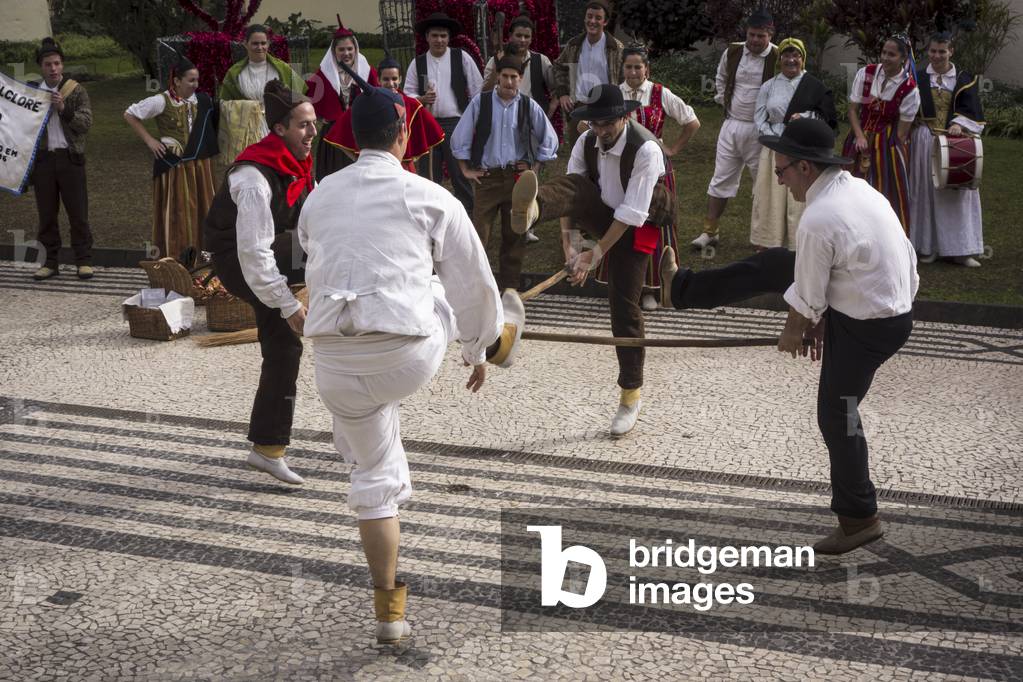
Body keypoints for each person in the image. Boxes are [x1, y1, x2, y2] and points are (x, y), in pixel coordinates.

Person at [298, 68, 524, 645]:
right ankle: (497, 343)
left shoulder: (318, 196)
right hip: (406, 353)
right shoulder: (432, 196)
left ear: (350, 138)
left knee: (372, 478)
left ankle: (389, 614)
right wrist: (479, 347)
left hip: (334, 361)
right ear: (402, 134)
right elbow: (475, 279)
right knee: (440, 287)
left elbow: (314, 254)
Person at [661, 118, 918, 554]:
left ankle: (860, 519)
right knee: (776, 263)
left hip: (870, 325)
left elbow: (809, 300)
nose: (779, 180)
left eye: (781, 172)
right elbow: (847, 275)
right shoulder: (855, 189)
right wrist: (816, 320)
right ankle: (680, 289)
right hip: (882, 308)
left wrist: (796, 331)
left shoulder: (820, 218)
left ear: (804, 167)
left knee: (839, 414)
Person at [511, 84, 674, 436]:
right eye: (595, 123)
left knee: (624, 307)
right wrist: (571, 246)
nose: (600, 131)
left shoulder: (646, 150)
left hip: (636, 224)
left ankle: (630, 394)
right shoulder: (587, 142)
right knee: (575, 186)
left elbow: (631, 214)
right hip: (604, 212)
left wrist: (595, 253)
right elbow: (573, 194)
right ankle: (533, 208)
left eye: (607, 124)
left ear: (624, 116)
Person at [203, 81, 315, 485]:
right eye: (303, 125)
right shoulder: (253, 176)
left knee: (284, 345)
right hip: (237, 260)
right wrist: (289, 304)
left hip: (270, 253)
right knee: (291, 321)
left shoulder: (296, 162)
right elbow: (255, 254)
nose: (312, 133)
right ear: (280, 129)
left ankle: (267, 449)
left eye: (314, 124)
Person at [451, 55, 559, 292]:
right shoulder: (481, 102)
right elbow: (459, 138)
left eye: (514, 77)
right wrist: (466, 170)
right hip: (487, 179)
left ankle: (510, 289)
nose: (509, 82)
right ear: (497, 77)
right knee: (479, 235)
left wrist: (534, 168)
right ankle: (476, 287)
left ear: (520, 79)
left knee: (514, 236)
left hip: (516, 180)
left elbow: (550, 140)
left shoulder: (528, 105)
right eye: (505, 76)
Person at [613, 44, 700, 311]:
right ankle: (629, 287)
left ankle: (654, 288)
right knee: (626, 222)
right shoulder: (616, 93)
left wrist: (672, 149)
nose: (633, 71)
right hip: (624, 166)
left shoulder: (660, 93)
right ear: (623, 68)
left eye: (638, 66)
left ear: (646, 69)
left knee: (656, 225)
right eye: (628, 66)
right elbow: (590, 122)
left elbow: (692, 121)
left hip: (657, 168)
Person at [691, 8, 778, 251]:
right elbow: (721, 77)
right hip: (731, 125)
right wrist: (723, 99)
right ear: (746, 33)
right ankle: (710, 232)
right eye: (751, 35)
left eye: (761, 36)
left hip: (761, 131)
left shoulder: (778, 57)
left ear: (770, 34)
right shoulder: (733, 51)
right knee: (721, 179)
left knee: (762, 184)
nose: (755, 40)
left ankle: (763, 237)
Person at [124, 55, 218, 265]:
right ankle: (177, 259)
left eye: (197, 80)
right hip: (174, 164)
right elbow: (130, 114)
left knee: (202, 206)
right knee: (179, 210)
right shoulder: (161, 100)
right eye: (191, 80)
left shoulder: (201, 100)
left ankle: (203, 258)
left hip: (198, 164)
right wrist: (150, 141)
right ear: (176, 80)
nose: (195, 85)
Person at [750, 37, 836, 251]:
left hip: (802, 150)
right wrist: (775, 139)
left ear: (803, 58)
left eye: (795, 55)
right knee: (771, 197)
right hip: (774, 148)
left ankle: (800, 245)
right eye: (786, 55)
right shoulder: (769, 86)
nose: (791, 60)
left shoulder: (815, 87)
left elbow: (828, 118)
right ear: (780, 59)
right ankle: (769, 242)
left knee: (800, 199)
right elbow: (759, 119)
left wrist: (806, 118)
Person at [909, 32, 985, 267]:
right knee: (926, 193)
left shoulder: (964, 79)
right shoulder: (918, 77)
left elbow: (973, 109)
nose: (937, 56)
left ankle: (962, 250)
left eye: (942, 51)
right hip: (924, 140)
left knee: (957, 193)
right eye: (933, 51)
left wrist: (958, 124)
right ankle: (929, 246)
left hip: (955, 141)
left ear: (951, 51)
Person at [482, 14, 558, 245]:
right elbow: (484, 90)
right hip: (504, 123)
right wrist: (497, 65)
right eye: (518, 35)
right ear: (510, 36)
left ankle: (526, 224)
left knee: (529, 175)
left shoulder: (541, 61)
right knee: (508, 171)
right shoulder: (496, 60)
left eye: (527, 36)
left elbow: (555, 90)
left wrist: (547, 115)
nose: (523, 40)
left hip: (530, 124)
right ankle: (506, 217)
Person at [28, 37, 94, 281]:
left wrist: (63, 109)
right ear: (41, 66)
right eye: (47, 64)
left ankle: (84, 261)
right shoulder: (32, 92)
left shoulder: (75, 90)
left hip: (70, 158)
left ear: (62, 65)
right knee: (46, 215)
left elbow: (85, 124)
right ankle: (49, 262)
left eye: (56, 63)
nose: (53, 68)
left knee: (78, 213)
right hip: (44, 160)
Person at [404, 12, 483, 214]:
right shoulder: (418, 63)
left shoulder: (461, 57)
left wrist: (472, 120)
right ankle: (431, 212)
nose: (439, 40)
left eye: (443, 36)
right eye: (435, 36)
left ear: (448, 38)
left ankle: (466, 212)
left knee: (459, 172)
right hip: (427, 123)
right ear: (427, 37)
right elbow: (407, 94)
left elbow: (477, 90)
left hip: (456, 124)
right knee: (429, 172)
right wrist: (421, 99)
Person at [843, 34, 920, 235]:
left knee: (886, 192)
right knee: (851, 189)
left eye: (891, 54)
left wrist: (888, 154)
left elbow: (902, 133)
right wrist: (860, 136)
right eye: (884, 52)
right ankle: (850, 235)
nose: (885, 57)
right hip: (858, 138)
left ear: (903, 58)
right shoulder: (867, 74)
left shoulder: (909, 88)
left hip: (888, 144)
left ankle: (886, 238)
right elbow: (853, 110)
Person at [325, 54, 445, 174]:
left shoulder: (411, 104)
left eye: (394, 78)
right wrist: (357, 158)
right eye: (386, 79)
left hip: (403, 169)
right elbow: (338, 132)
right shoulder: (368, 102)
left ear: (400, 79)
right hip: (373, 168)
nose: (391, 83)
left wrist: (413, 155)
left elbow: (434, 132)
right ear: (378, 80)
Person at [305, 16, 379, 181]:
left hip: (361, 133)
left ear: (355, 49)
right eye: (341, 50)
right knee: (335, 176)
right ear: (334, 52)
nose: (346, 53)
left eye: (349, 49)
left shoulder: (368, 72)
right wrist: (322, 116)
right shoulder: (322, 75)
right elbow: (310, 100)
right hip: (334, 136)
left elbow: (377, 98)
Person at [218, 25, 307, 161]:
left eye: (263, 43)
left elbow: (298, 98)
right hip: (248, 129)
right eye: (255, 43)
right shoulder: (234, 73)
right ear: (245, 44)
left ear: (268, 44)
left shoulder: (282, 68)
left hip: (278, 126)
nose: (259, 47)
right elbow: (224, 103)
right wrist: (248, 108)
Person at [552, 0, 624, 149]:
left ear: (605, 22)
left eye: (598, 18)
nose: (593, 21)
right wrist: (563, 93)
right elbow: (558, 66)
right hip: (579, 107)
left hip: (607, 108)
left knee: (607, 150)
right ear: (584, 18)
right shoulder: (574, 45)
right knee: (579, 152)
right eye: (589, 16)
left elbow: (624, 79)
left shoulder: (616, 48)